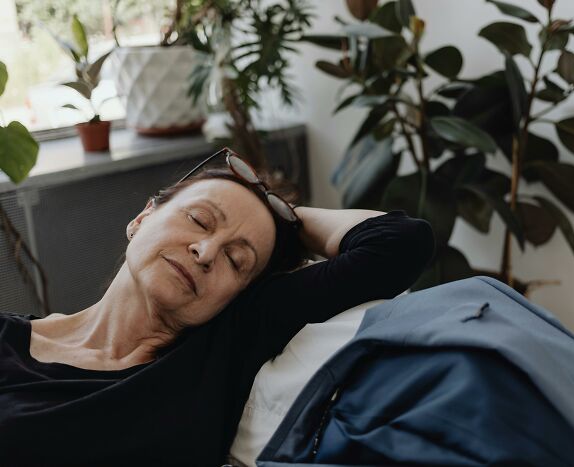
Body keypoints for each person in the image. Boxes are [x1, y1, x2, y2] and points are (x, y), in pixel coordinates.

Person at [0, 147, 436, 467]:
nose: (207, 252)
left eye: (236, 260)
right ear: (142, 218)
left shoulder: (225, 343)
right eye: (199, 219)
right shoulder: (8, 342)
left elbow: (398, 244)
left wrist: (286, 214)